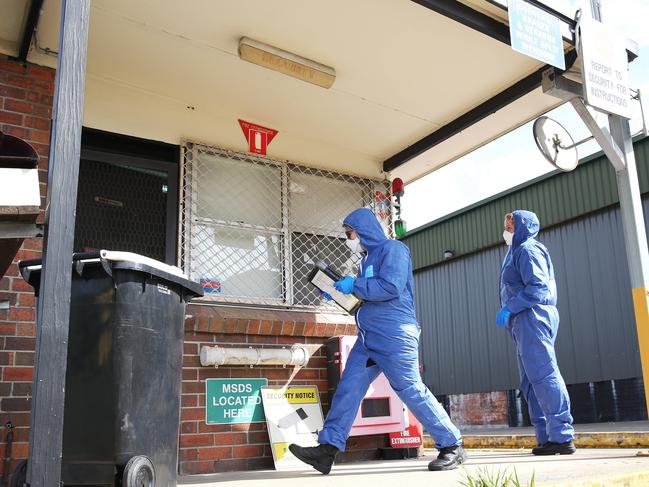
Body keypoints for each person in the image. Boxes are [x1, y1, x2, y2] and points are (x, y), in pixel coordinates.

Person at [289, 208, 465, 474]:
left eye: (350, 234)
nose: (349, 239)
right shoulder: (366, 259)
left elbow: (391, 287)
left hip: (395, 334)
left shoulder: (393, 249)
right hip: (369, 337)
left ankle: (452, 444)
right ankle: (327, 450)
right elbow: (367, 298)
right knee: (348, 388)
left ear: (363, 231)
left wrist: (354, 285)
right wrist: (339, 293)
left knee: (410, 389)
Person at [497, 210, 576, 455]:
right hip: (522, 320)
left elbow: (539, 287)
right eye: (506, 225)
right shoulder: (515, 251)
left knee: (544, 374)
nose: (507, 230)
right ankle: (545, 436)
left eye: (510, 226)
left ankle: (562, 436)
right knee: (530, 380)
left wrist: (510, 307)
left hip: (533, 316)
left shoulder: (528, 250)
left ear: (522, 227)